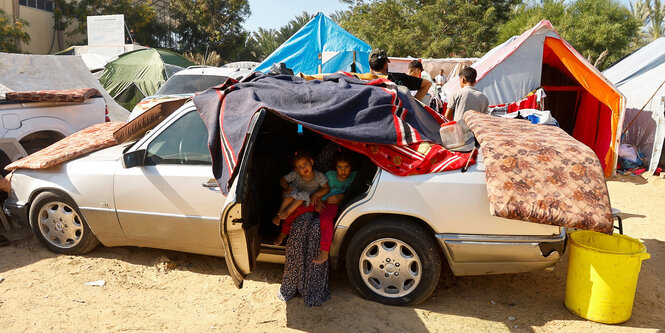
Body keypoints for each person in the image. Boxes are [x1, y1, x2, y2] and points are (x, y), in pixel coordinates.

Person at [273, 151, 329, 245]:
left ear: (311, 162)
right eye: (300, 167)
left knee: (302, 196)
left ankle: (283, 231)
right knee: (291, 193)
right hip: (293, 197)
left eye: (305, 164)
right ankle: (279, 214)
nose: (303, 168)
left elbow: (326, 188)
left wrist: (315, 195)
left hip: (307, 199)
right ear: (296, 170)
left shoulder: (319, 176)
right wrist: (286, 187)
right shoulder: (295, 175)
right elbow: (282, 180)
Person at [312, 152, 357, 264]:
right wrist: (318, 201)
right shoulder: (330, 175)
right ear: (335, 167)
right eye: (340, 167)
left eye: (346, 167)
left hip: (337, 204)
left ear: (352, 167)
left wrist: (342, 197)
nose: (343, 170)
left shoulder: (355, 176)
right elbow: (320, 189)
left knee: (326, 219)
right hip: (324, 201)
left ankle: (324, 251)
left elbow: (358, 192)